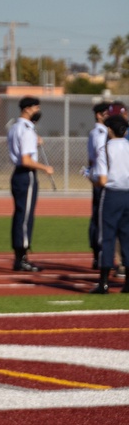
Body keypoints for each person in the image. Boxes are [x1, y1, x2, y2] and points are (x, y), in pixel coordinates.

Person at [7, 96, 53, 272]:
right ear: (27, 109)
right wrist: (45, 168)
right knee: (25, 217)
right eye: (36, 108)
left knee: (20, 214)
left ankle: (20, 255)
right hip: (26, 175)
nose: (38, 111)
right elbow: (26, 159)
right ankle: (22, 257)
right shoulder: (26, 130)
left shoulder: (15, 127)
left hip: (18, 175)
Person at [91, 114, 129, 294]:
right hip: (128, 194)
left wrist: (92, 177)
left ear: (109, 130)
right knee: (127, 237)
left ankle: (104, 282)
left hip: (112, 195)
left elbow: (103, 180)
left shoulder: (105, 149)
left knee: (107, 236)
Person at [88, 102, 111, 268]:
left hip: (99, 178)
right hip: (102, 180)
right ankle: (99, 255)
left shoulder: (95, 133)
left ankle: (98, 255)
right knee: (101, 219)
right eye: (106, 113)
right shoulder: (100, 133)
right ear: (99, 115)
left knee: (98, 217)